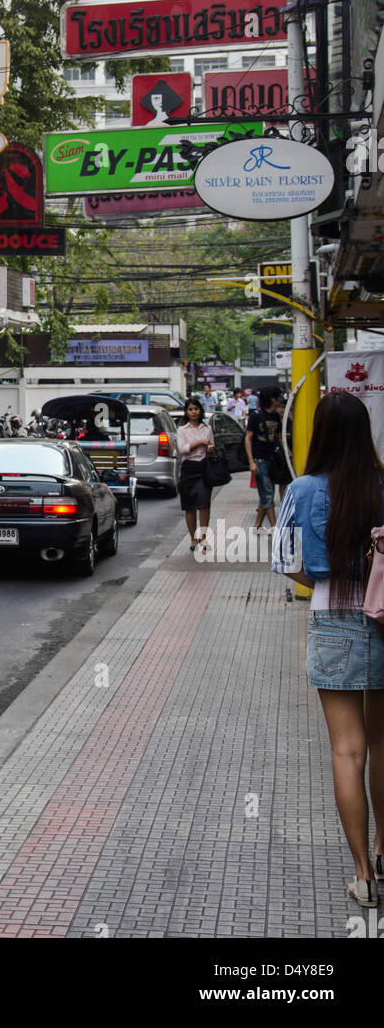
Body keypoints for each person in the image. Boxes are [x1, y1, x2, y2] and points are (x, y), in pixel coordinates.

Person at [272, 391, 384, 909]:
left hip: (331, 618)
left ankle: (363, 877)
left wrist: (319, 580)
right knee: (382, 746)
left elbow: (282, 560)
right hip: (383, 620)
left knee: (348, 749)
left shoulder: (302, 489)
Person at [177, 397, 216, 552]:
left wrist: (210, 448)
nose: (194, 412)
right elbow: (182, 449)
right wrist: (200, 442)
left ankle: (204, 537)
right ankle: (193, 538)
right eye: (190, 409)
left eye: (196, 409)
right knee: (190, 506)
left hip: (204, 467)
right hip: (188, 468)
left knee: (205, 504)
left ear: (200, 410)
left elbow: (212, 445)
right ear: (186, 412)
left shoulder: (207, 428)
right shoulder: (182, 429)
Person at [245, 385, 283, 531]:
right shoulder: (255, 417)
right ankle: (274, 528)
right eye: (279, 397)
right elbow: (248, 438)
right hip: (259, 460)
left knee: (266, 492)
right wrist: (251, 461)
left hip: (272, 460)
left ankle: (257, 525)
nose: (281, 399)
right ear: (273, 399)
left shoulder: (275, 417)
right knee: (268, 493)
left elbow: (279, 438)